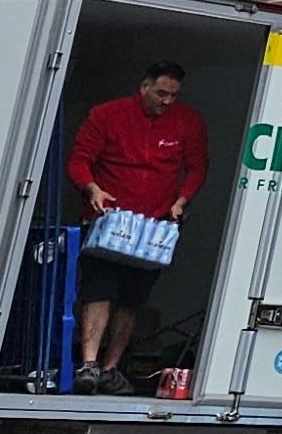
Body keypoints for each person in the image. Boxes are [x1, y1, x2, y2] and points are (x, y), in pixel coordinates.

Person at [65, 63, 208, 394]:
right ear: (144, 87)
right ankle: (89, 364)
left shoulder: (188, 121)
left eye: (173, 95)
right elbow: (79, 159)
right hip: (107, 220)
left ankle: (111, 368)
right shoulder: (107, 114)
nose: (167, 101)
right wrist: (91, 189)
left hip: (153, 228)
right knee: (98, 290)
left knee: (133, 298)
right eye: (161, 93)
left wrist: (182, 201)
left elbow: (198, 167)